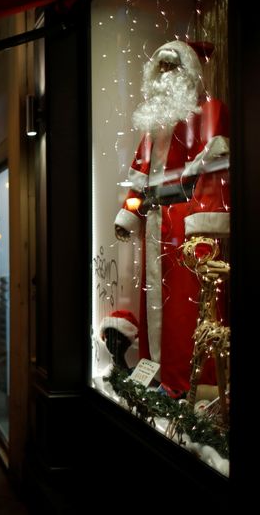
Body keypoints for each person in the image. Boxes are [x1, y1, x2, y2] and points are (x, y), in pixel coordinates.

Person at [111, 40, 228, 396]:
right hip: (154, 226)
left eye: (172, 70)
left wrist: (199, 222)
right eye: (160, 70)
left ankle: (185, 383)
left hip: (186, 227)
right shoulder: (153, 128)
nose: (165, 78)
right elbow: (137, 179)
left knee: (184, 309)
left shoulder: (210, 113)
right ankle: (155, 370)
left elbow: (215, 176)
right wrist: (128, 216)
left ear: (189, 74)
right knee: (154, 303)